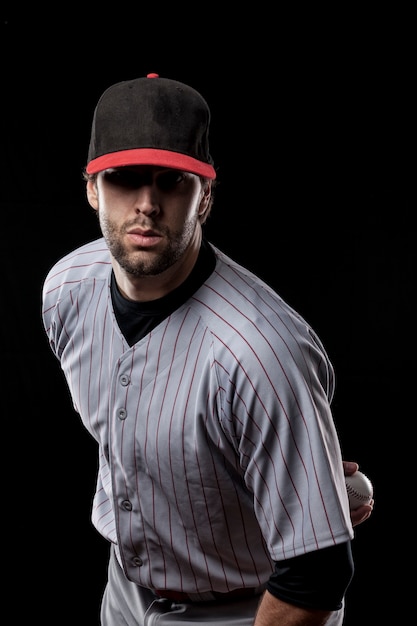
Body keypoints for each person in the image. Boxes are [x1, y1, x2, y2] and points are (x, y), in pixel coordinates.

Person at [41, 73, 373, 626]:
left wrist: (304, 492)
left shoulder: (262, 353)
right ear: (92, 187)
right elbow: (129, 432)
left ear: (206, 196)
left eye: (172, 181)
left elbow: (315, 577)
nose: (147, 204)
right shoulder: (66, 293)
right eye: (124, 178)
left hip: (246, 608)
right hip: (123, 592)